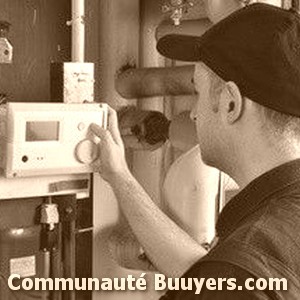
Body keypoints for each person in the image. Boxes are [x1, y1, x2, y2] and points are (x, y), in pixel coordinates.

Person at [90, 3, 300, 299]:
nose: (192, 115)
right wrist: (119, 176)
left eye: (197, 92)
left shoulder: (239, 270)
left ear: (230, 103)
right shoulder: (271, 236)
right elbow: (208, 274)